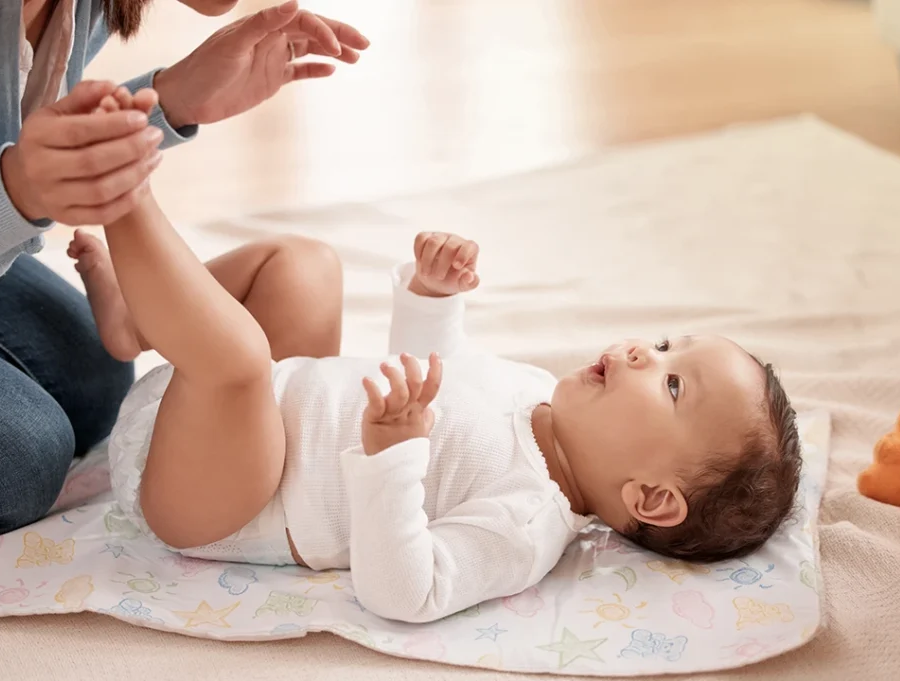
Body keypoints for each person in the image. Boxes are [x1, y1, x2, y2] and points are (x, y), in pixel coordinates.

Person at [72, 90, 803, 624]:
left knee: (237, 358)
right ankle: (138, 325)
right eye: (670, 343)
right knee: (305, 266)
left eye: (673, 382)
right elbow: (428, 371)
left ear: (650, 497)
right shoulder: (532, 392)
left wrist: (392, 460)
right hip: (236, 409)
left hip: (220, 497)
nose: (647, 350)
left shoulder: (525, 524)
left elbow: (407, 591)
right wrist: (431, 296)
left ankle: (118, 189)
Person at [0, 0, 368, 546]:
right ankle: (131, 313)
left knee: (97, 381)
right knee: (10, 461)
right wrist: (21, 189)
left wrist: (173, 99)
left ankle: (129, 319)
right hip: (260, 494)